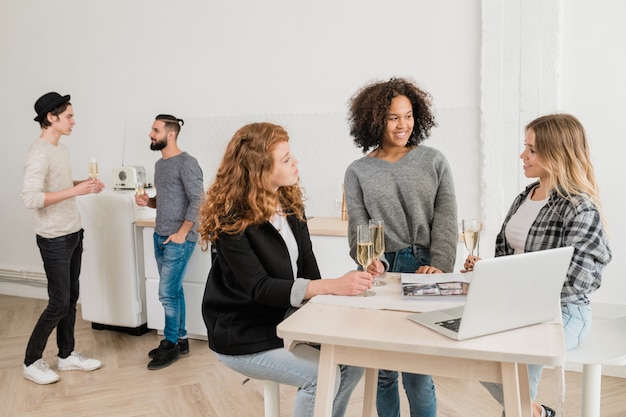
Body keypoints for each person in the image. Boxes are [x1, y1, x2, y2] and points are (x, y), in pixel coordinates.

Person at [199, 122, 371, 417]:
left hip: (285, 322)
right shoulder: (232, 220)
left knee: (352, 363)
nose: (296, 162)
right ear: (259, 169)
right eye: (286, 159)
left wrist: (339, 296)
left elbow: (308, 268)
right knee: (318, 378)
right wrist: (332, 286)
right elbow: (260, 287)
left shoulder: (290, 205)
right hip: (242, 333)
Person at [461, 113, 612, 417]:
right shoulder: (524, 197)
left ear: (557, 154)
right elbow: (511, 259)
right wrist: (487, 271)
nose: (522, 155)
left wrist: (511, 283)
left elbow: (578, 280)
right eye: (524, 146)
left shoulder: (579, 207)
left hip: (563, 313)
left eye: (531, 149)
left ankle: (524, 411)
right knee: (467, 347)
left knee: (518, 355)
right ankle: (534, 412)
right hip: (517, 307)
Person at [343, 77, 458, 417]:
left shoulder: (433, 160)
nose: (403, 124)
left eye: (408, 116)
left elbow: (447, 216)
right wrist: (369, 261)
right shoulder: (358, 171)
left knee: (417, 372)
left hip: (424, 266)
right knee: (382, 371)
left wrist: (439, 264)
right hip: (383, 272)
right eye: (394, 117)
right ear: (376, 119)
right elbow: (358, 228)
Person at [21, 92, 105, 384]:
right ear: (51, 118)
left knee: (70, 298)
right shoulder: (38, 152)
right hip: (54, 238)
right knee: (59, 302)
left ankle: (66, 356)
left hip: (72, 231)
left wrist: (82, 183)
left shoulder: (61, 150)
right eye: (68, 116)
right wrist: (75, 192)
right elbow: (31, 197)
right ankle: (31, 361)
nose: (73, 120)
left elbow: (57, 185)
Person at [135, 114, 204, 370]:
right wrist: (149, 202)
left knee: (166, 293)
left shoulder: (187, 163)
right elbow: (166, 199)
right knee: (174, 291)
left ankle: (171, 343)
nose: (150, 134)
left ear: (170, 134)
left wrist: (182, 232)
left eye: (155, 130)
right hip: (160, 235)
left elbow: (199, 200)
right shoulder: (160, 165)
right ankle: (182, 339)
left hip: (179, 239)